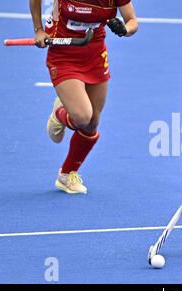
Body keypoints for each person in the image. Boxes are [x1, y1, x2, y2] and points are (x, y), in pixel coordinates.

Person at [29, 0, 138, 194]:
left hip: (95, 54)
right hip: (63, 55)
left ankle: (67, 174)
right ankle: (59, 113)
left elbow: (132, 20)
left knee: (92, 123)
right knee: (82, 117)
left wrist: (124, 29)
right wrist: (39, 29)